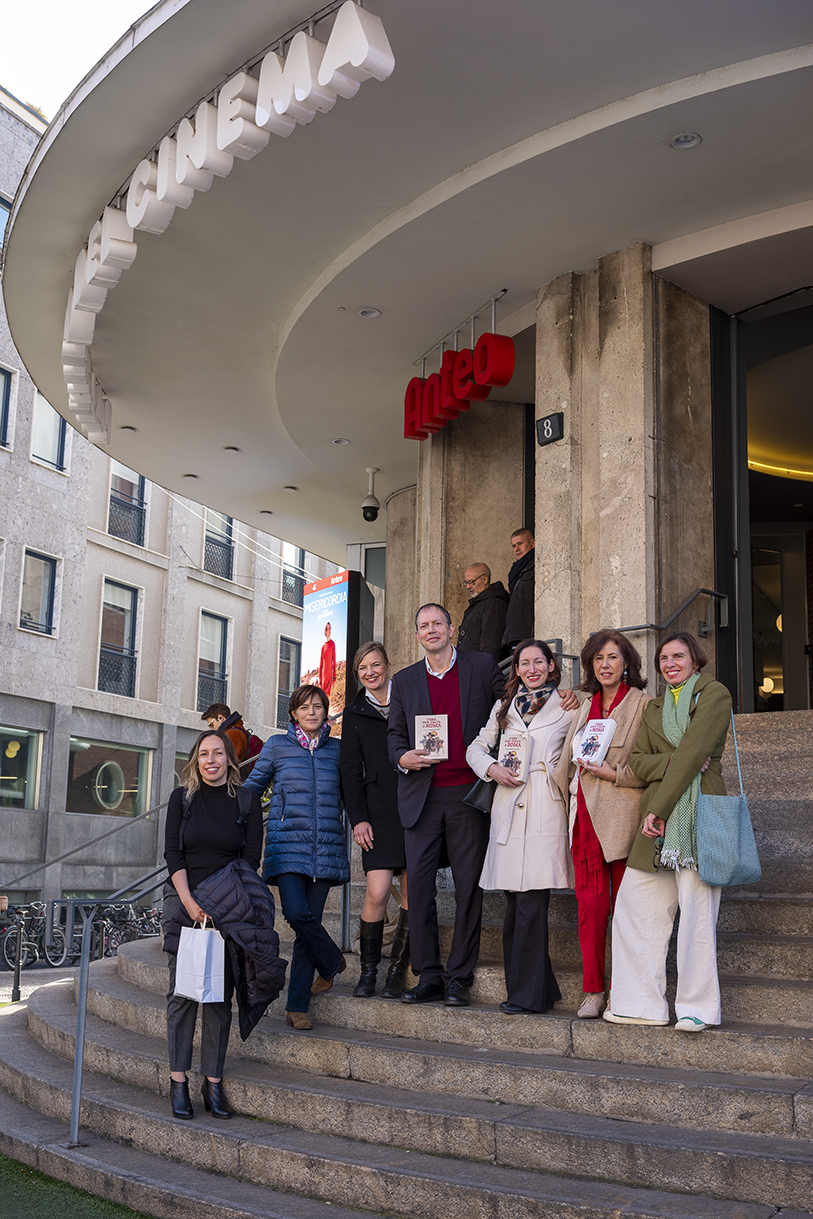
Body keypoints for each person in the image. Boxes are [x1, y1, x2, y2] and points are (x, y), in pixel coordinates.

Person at [604, 632, 732, 1033]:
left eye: (678, 656)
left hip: (696, 812)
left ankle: (698, 1009)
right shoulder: (655, 707)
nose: (670, 663)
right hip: (656, 821)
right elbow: (638, 762)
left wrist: (660, 805)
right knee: (634, 907)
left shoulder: (714, 694)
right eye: (663, 658)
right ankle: (640, 1003)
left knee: (697, 915)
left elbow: (697, 751)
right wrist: (675, 761)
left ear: (695, 661)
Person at [388, 603, 505, 1006]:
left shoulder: (482, 666)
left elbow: (511, 707)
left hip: (468, 794)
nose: (432, 630)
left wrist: (559, 696)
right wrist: (402, 757)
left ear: (452, 629)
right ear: (417, 635)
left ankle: (459, 976)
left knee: (467, 887)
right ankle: (429, 975)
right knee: (419, 888)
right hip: (421, 795)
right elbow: (395, 736)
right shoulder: (404, 680)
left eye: (438, 623)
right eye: (424, 626)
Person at [467, 640, 575, 1014]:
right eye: (524, 663)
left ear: (551, 665)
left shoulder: (569, 705)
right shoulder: (504, 707)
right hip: (508, 805)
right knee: (515, 901)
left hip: (545, 804)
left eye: (538, 662)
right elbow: (475, 748)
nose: (532, 669)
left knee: (531, 901)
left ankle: (526, 996)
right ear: (516, 669)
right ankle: (541, 989)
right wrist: (492, 767)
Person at [163, 730, 263, 1120]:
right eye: (204, 754)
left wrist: (220, 905)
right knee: (183, 994)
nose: (211, 760)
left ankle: (213, 1083)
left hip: (228, 906)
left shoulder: (247, 801)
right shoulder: (182, 799)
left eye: (218, 753)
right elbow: (173, 853)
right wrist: (190, 902)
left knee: (219, 997)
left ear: (229, 759)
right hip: (184, 903)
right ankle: (178, 1082)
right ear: (196, 760)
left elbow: (250, 860)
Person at [553, 630, 650, 1019]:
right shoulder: (583, 705)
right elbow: (565, 758)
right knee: (591, 911)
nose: (605, 665)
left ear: (626, 663)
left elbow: (651, 764)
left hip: (624, 820)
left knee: (627, 911)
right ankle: (593, 990)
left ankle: (625, 991)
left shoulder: (643, 704)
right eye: (598, 658)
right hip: (585, 821)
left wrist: (615, 774)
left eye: (612, 657)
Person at [243, 685, 349, 1029]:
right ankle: (331, 961)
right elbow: (253, 789)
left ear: (325, 712)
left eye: (317, 706)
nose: (311, 712)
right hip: (287, 845)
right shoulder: (277, 746)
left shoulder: (338, 750)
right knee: (296, 913)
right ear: (294, 713)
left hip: (325, 847)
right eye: (304, 707)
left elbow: (353, 794)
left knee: (309, 925)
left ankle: (297, 1007)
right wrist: (218, 802)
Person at [340, 642, 409, 998]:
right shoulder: (353, 713)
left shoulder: (410, 697)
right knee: (378, 891)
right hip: (377, 812)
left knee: (413, 895)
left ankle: (397, 971)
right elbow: (350, 771)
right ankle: (368, 972)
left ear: (388, 666)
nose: (370, 672)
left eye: (376, 665)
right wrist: (358, 819)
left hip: (415, 806)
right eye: (363, 668)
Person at [457, 563, 509, 661]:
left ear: (485, 580)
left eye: (471, 582)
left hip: (479, 667)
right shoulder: (479, 603)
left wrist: (483, 667)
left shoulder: (494, 604)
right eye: (466, 583)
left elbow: (491, 643)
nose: (468, 586)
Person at [503, 529, 535, 650]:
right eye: (514, 546)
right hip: (516, 632)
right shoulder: (516, 570)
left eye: (520, 544)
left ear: (532, 543)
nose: (516, 549)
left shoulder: (536, 564)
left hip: (528, 633)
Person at [318, 622, 337, 699]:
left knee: (327, 697)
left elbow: (334, 661)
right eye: (328, 629)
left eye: (330, 628)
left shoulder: (332, 644)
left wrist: (334, 678)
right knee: (322, 697)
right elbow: (321, 664)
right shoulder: (323, 647)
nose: (329, 630)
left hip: (329, 674)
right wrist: (320, 680)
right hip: (323, 676)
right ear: (325, 631)